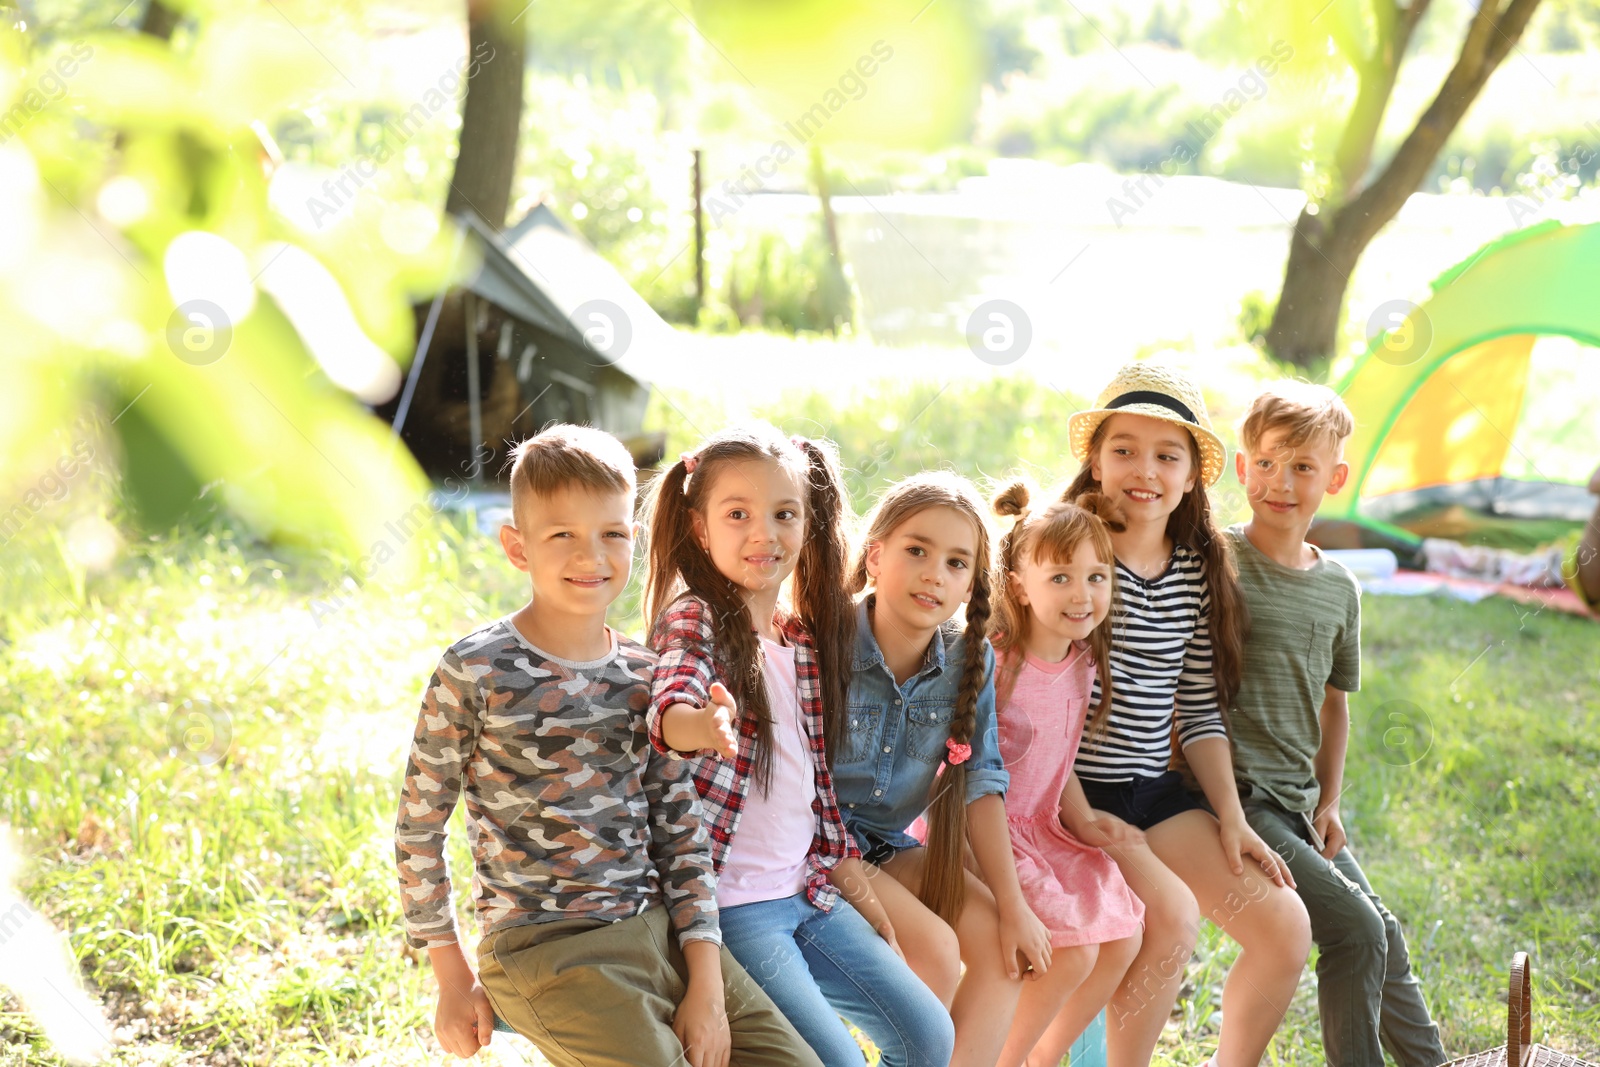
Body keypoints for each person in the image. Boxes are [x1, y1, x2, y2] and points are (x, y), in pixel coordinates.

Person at [393, 424, 820, 1067]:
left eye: (612, 534)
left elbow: (680, 834)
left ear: (635, 539)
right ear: (517, 546)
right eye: (562, 534)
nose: (591, 556)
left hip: (658, 934)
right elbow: (419, 830)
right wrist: (452, 976)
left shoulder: (648, 674)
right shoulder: (475, 670)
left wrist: (705, 980)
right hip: (545, 949)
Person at [644, 425, 955, 1067]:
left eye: (785, 514)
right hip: (734, 906)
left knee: (928, 1036)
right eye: (738, 515)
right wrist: (696, 724)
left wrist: (855, 884)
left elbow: (812, 789)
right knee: (836, 1061)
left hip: (807, 890)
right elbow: (672, 689)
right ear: (701, 529)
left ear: (808, 524)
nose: (765, 533)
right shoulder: (696, 618)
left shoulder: (800, 644)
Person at [1063, 361, 1311, 1067]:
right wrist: (1076, 812)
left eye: (1167, 455)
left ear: (1193, 474)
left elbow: (1198, 707)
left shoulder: (1197, 568)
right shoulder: (1070, 554)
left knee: (1284, 928)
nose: (1145, 470)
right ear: (1095, 458)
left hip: (1156, 796)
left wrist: (1230, 816)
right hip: (1070, 796)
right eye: (1125, 449)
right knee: (1163, 924)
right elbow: (1030, 705)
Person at [1225, 381, 1448, 1067]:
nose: (1280, 482)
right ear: (1241, 467)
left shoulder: (1340, 587)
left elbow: (1335, 703)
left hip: (1298, 804)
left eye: (1302, 467)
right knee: (1354, 929)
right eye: (1265, 462)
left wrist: (1330, 800)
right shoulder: (1219, 562)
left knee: (1384, 929)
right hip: (1236, 800)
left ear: (1335, 477)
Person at [831, 470, 1054, 1067]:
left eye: (957, 563)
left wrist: (1013, 905)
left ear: (971, 586)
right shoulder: (826, 642)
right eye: (917, 550)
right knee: (933, 947)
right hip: (816, 846)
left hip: (884, 844)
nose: (935, 573)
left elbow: (981, 782)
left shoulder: (967, 658)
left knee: (1002, 949)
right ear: (875, 556)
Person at [986, 482, 1146, 1067]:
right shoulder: (995, 664)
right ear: (1018, 587)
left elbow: (1058, 756)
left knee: (1126, 932)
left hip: (1043, 828)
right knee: (1071, 953)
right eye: (1060, 578)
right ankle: (1007, 1057)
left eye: (1096, 576)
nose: (1082, 595)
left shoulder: (1082, 663)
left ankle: (1044, 1056)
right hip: (990, 835)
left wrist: (1082, 816)